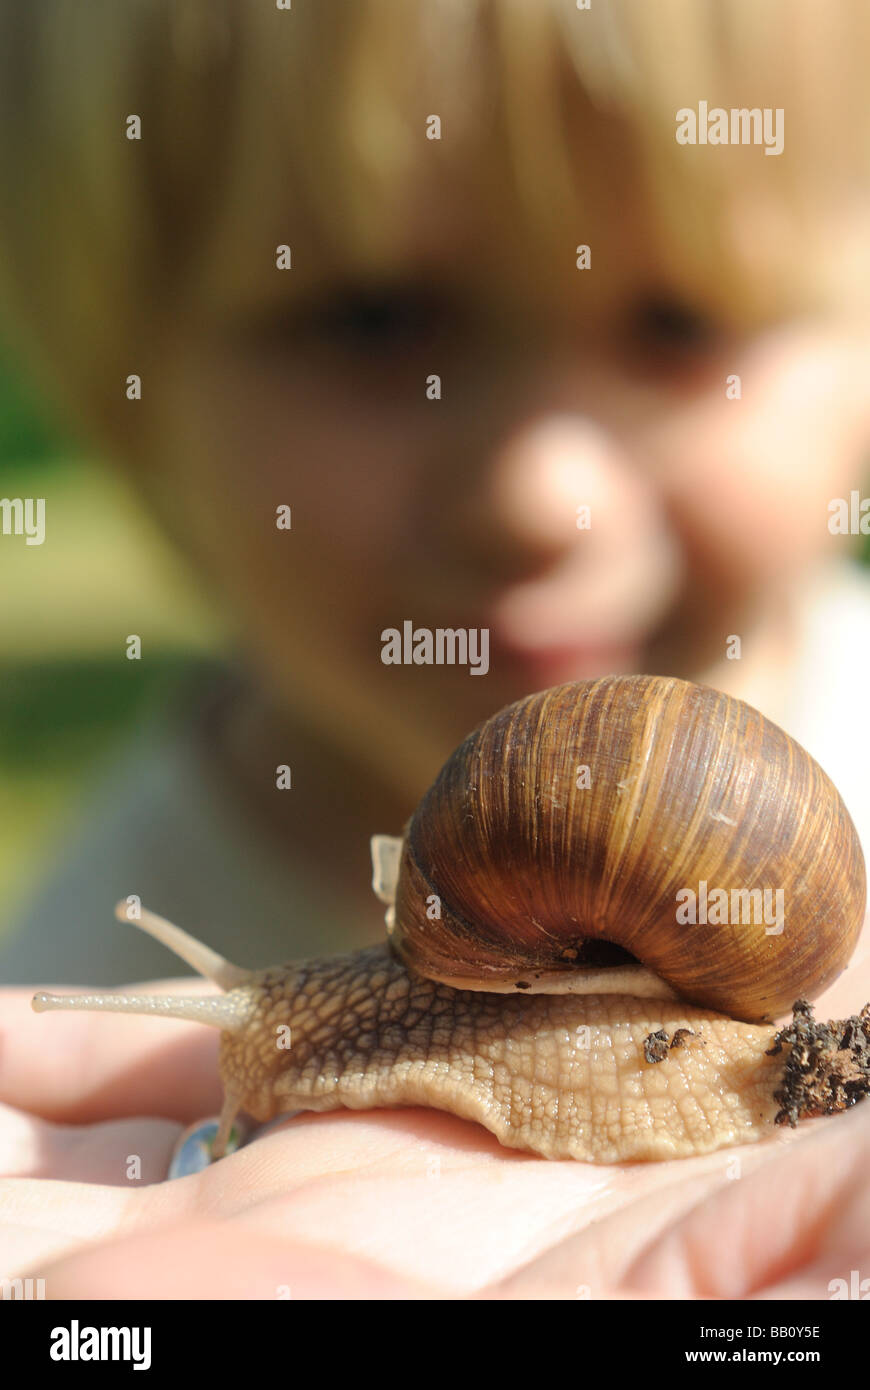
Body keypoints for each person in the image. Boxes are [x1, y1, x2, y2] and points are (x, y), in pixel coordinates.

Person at [0, 0, 868, 1299]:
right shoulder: (68, 962)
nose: (541, 491)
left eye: (679, 322)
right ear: (128, 387)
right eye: (375, 322)